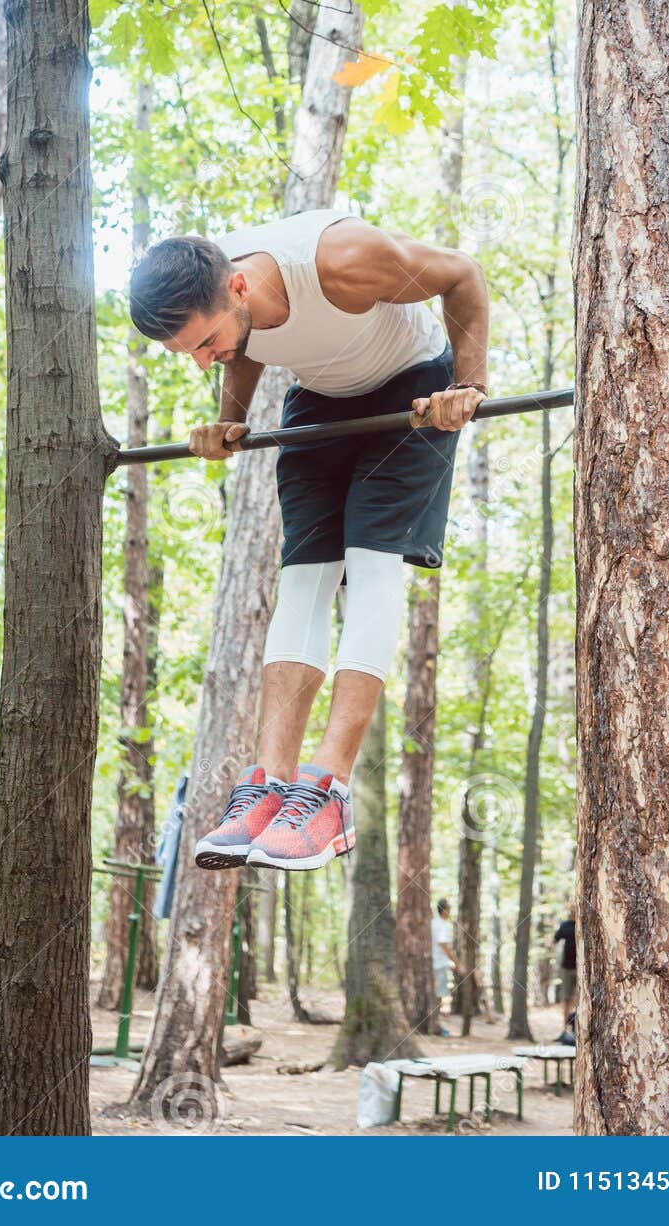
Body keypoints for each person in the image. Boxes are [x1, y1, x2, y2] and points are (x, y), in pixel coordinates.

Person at [129, 208, 489, 873]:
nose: (204, 361)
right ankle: (269, 785)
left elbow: (461, 275)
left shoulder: (341, 259)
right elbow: (243, 349)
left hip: (410, 393)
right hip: (320, 404)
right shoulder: (225, 301)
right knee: (302, 578)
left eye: (204, 343)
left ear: (238, 287)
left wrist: (464, 385)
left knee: (370, 562)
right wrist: (228, 420)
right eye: (191, 355)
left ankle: (329, 792)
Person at [431, 898, 458, 1036]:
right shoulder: (442, 925)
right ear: (444, 910)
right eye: (449, 909)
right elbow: (444, 945)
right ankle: (435, 1025)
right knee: (438, 995)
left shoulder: (433, 923)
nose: (450, 911)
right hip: (439, 964)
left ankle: (434, 1023)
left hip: (433, 963)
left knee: (436, 994)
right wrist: (455, 961)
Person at [554, 905, 576, 1040]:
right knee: (567, 999)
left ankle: (577, 1028)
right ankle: (564, 1031)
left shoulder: (585, 923)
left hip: (581, 969)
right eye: (571, 909)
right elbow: (554, 940)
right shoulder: (565, 925)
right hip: (566, 968)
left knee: (579, 999)